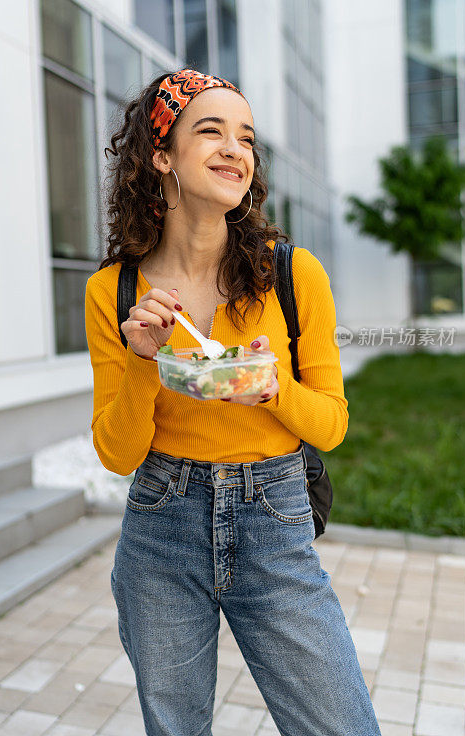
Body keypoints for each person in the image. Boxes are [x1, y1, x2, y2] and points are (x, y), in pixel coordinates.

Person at [85, 68, 381, 736]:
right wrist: (142, 361)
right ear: (161, 155)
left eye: (245, 136)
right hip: (160, 523)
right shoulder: (115, 291)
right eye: (210, 130)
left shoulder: (290, 273)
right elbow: (116, 452)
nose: (235, 149)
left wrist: (271, 387)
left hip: (272, 519)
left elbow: (330, 426)